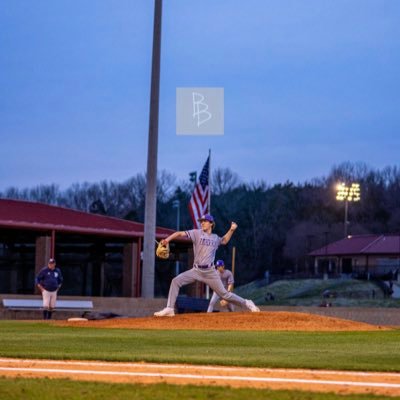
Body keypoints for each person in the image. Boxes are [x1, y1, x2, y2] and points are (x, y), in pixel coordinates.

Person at [154, 214, 260, 316]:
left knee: (225, 294)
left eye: (205, 221)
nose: (202, 223)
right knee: (176, 281)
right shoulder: (196, 233)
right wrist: (167, 240)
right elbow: (179, 233)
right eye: (201, 221)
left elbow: (224, 240)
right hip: (196, 271)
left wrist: (231, 230)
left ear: (211, 224)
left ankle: (247, 303)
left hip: (210, 272)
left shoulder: (215, 238)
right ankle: (169, 309)